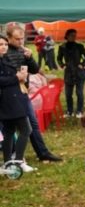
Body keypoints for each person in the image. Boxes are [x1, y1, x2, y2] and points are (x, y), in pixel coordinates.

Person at [6, 24, 61, 161]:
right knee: (9, 128)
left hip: (23, 93)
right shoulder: (4, 52)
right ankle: (12, 156)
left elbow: (35, 70)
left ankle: (42, 152)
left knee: (32, 123)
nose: (20, 42)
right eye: (17, 39)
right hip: (8, 94)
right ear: (9, 38)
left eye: (22, 39)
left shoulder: (23, 51)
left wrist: (29, 57)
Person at [0, 35, 32, 170]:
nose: (4, 47)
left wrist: (21, 77)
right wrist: (16, 77)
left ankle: (8, 163)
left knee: (9, 131)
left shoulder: (5, 58)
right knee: (26, 129)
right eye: (1, 44)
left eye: (5, 44)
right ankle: (18, 161)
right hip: (8, 100)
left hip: (12, 98)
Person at [56, 28, 85, 120]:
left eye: (75, 35)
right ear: (67, 36)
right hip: (68, 73)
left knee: (79, 93)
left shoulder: (79, 46)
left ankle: (79, 111)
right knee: (68, 93)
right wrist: (62, 65)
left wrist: (83, 64)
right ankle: (69, 111)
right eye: (72, 35)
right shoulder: (62, 47)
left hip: (79, 73)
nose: (74, 37)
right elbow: (59, 58)